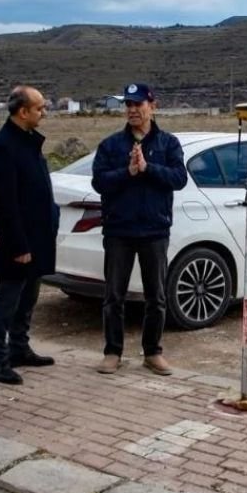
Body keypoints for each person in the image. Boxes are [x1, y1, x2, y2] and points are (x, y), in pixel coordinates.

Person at [90, 82, 187, 375]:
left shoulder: (168, 144)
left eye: (138, 105)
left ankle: (152, 352)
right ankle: (113, 352)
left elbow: (179, 178)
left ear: (152, 106)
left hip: (154, 232)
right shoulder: (110, 145)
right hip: (119, 231)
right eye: (128, 105)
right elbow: (99, 182)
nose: (132, 110)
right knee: (113, 296)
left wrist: (148, 168)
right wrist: (128, 172)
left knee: (155, 297)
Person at [0, 86, 58, 385]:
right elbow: (5, 203)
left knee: (28, 297)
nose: (44, 112)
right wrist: (18, 245)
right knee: (6, 302)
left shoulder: (28, 142)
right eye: (39, 108)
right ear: (22, 111)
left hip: (38, 236)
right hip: (19, 240)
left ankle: (19, 348)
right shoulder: (2, 147)